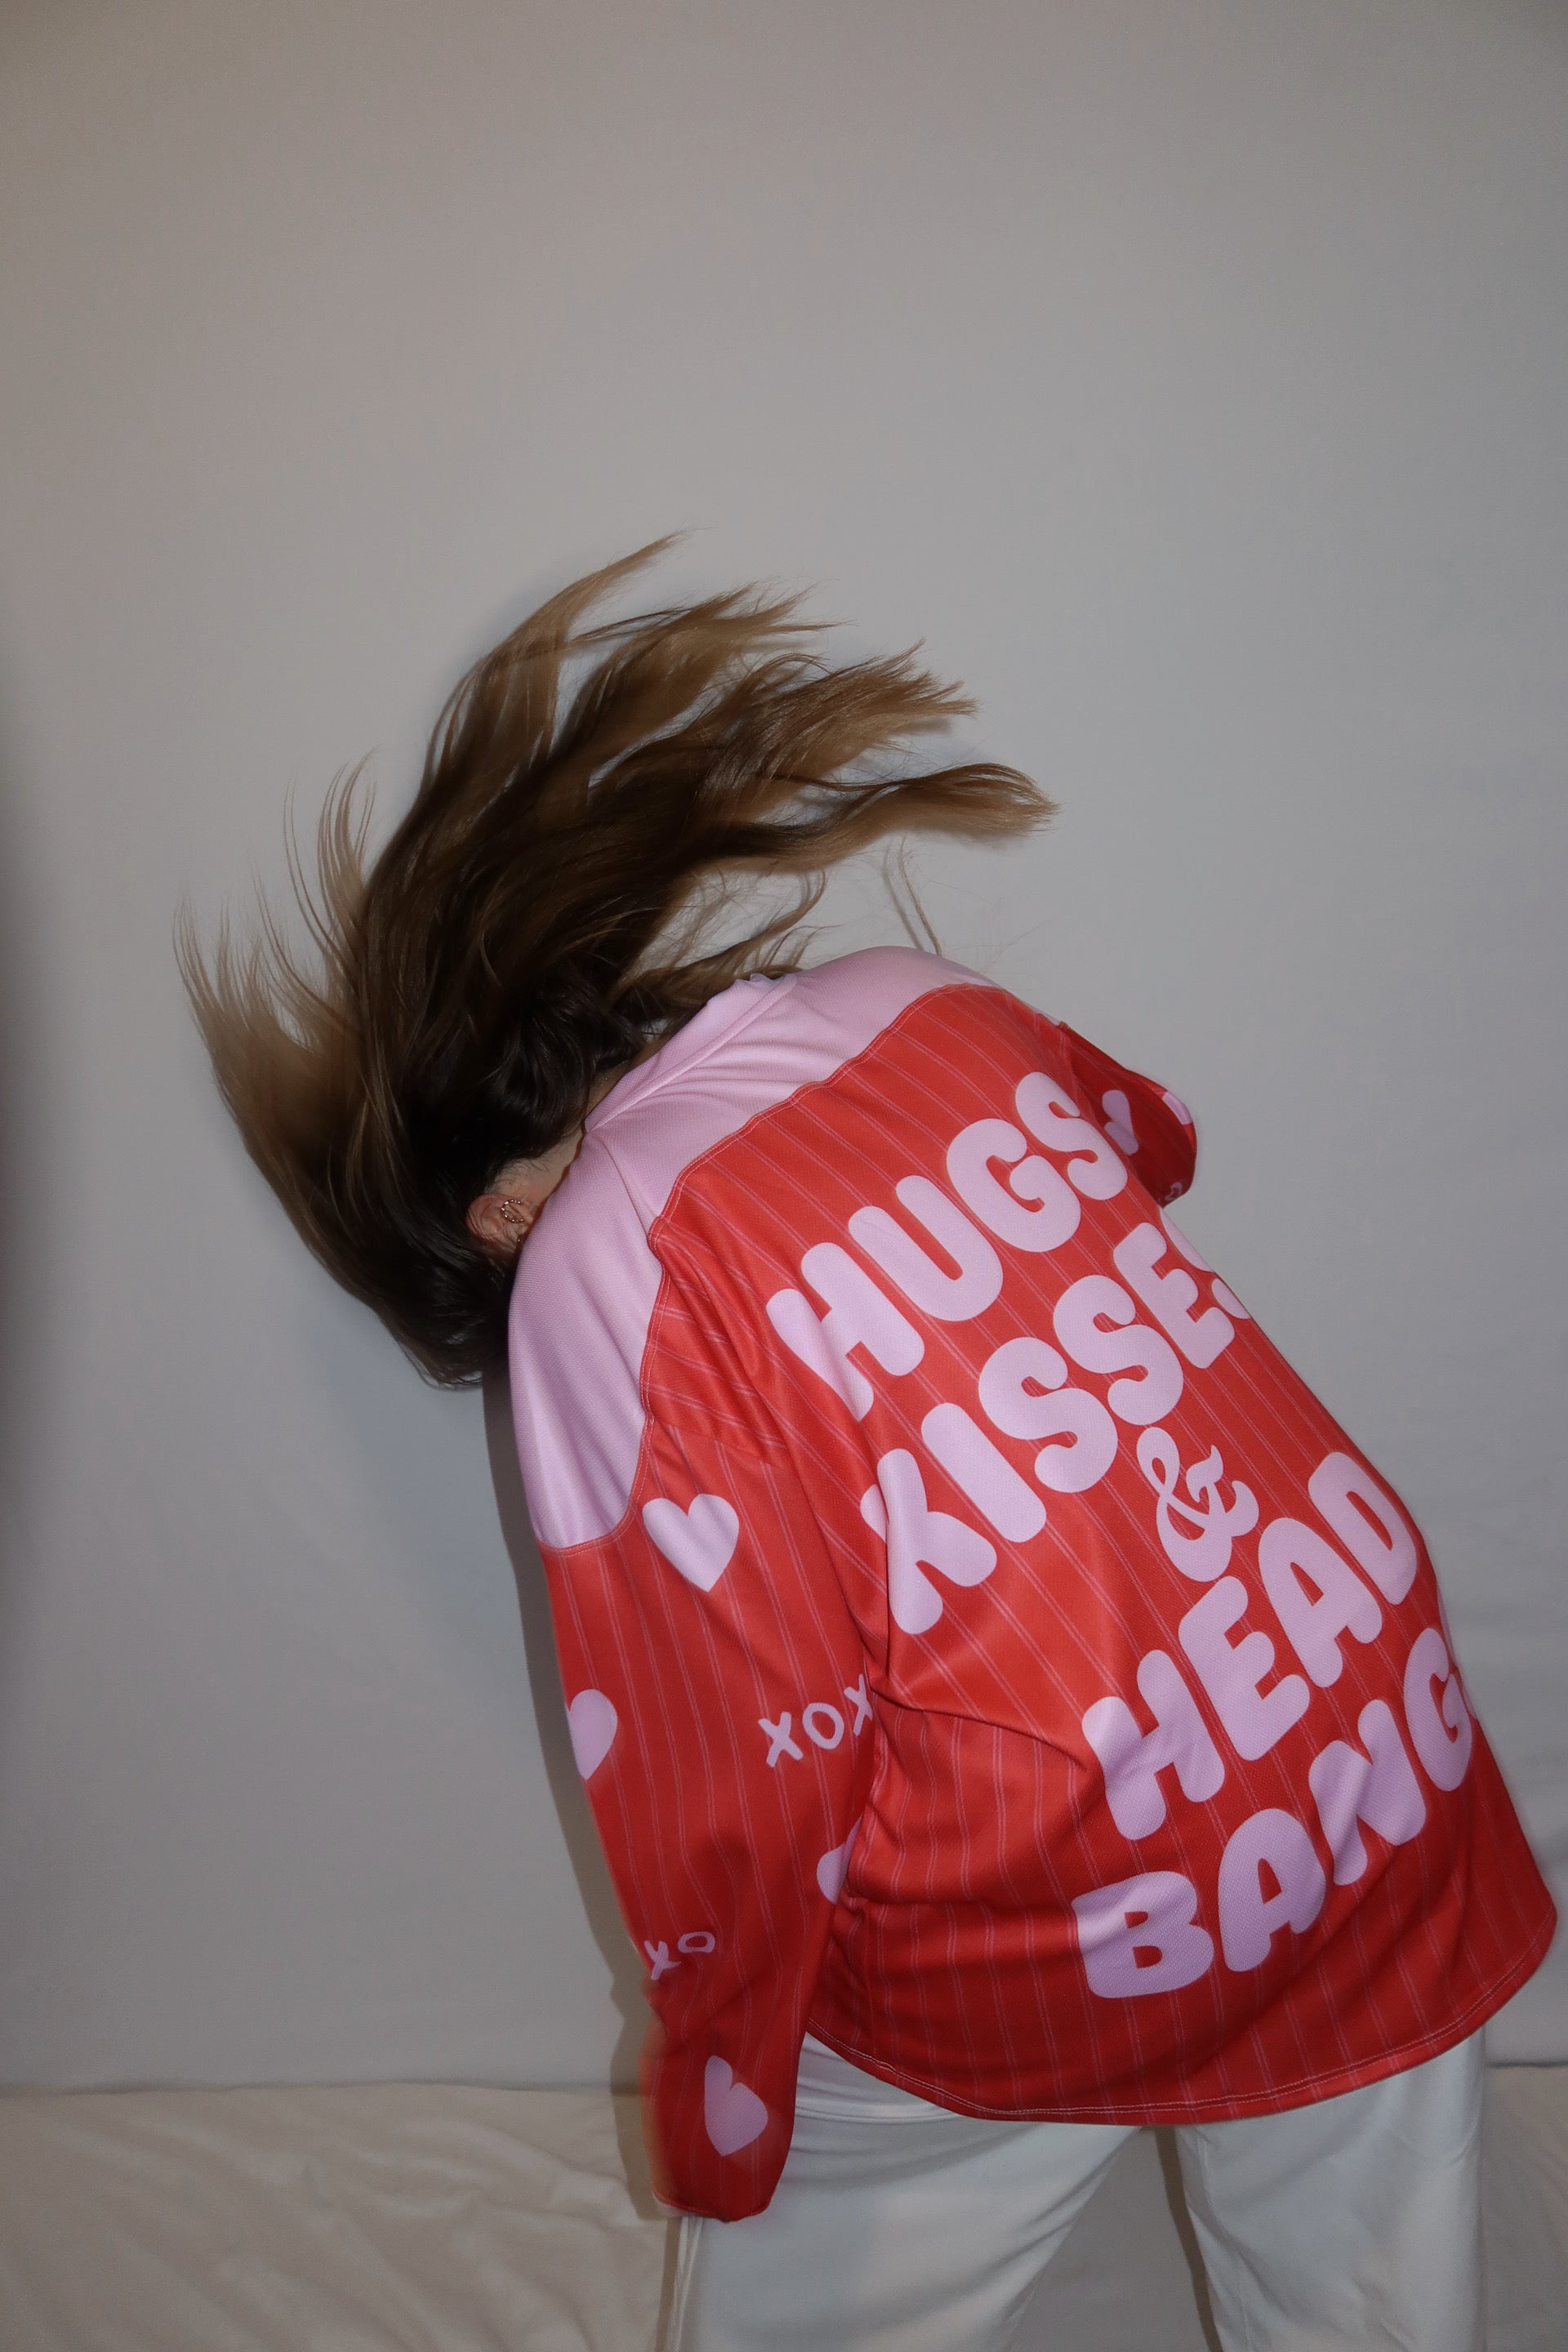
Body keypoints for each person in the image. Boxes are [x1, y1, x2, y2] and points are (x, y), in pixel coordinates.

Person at [182, 545, 1555, 2352]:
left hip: (1077, 1861)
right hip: (1368, 1721)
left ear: (487, 1220)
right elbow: (1155, 1143)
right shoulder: (911, 998)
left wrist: (724, 2089)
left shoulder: (607, 1258)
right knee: (1375, 2303)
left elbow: (731, 1766)